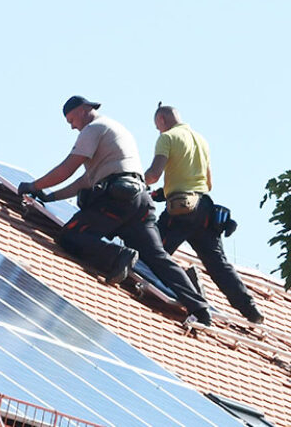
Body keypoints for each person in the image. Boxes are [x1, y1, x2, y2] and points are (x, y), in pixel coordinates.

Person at [18, 96, 212, 325]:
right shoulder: (115, 130)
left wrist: (34, 186)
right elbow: (84, 181)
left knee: (70, 235)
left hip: (116, 200)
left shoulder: (93, 129)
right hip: (139, 201)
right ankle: (200, 309)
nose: (72, 127)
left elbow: (67, 168)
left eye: (71, 120)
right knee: (157, 257)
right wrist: (49, 197)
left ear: (83, 110)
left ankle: (118, 256)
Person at [145, 105, 264, 324]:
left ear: (161, 119)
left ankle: (191, 301)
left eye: (157, 126)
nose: (158, 131)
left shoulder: (167, 138)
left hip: (180, 211)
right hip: (205, 209)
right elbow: (207, 183)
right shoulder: (200, 140)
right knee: (218, 264)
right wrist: (164, 192)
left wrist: (136, 183)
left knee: (154, 252)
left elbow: (153, 174)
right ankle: (250, 309)